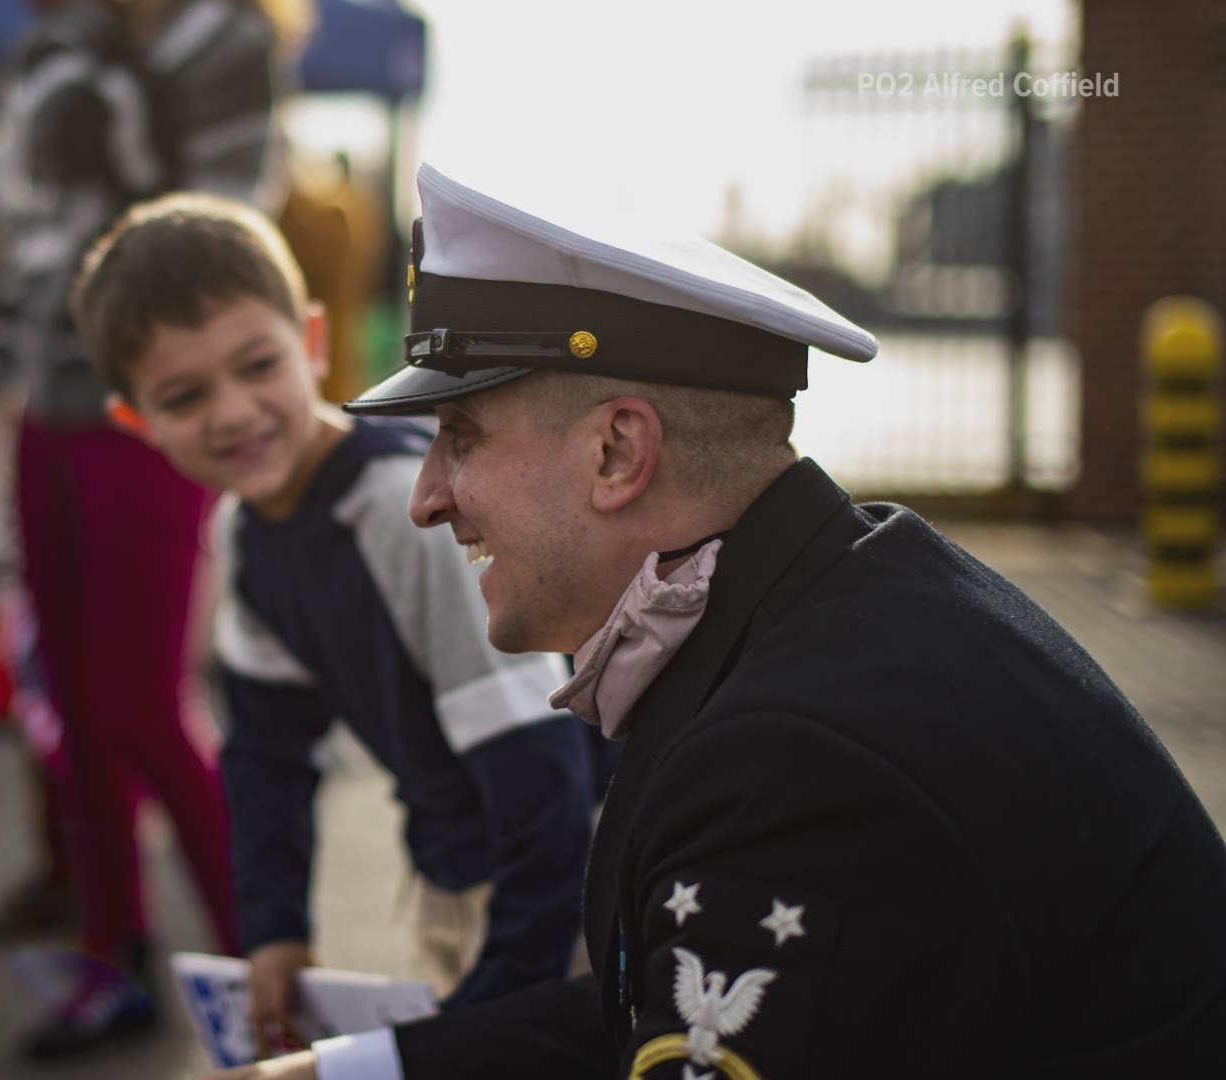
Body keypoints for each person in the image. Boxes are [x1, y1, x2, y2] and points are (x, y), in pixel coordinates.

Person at [206, 163, 1226, 1080]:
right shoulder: (821, 598)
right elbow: (654, 1009)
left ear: (617, 452)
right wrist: (344, 1073)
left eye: (459, 437)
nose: (425, 498)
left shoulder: (793, 756)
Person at [73, 193, 599, 1052]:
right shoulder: (243, 530)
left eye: (257, 366)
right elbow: (267, 755)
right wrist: (272, 928)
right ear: (138, 423)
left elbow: (545, 776)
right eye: (184, 394)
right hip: (460, 880)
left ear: (312, 344)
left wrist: (478, 1020)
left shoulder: (402, 512)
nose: (234, 411)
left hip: (570, 885)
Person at [0, 0, 309, 1059]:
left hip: (156, 406)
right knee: (69, 703)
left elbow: (210, 241)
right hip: (45, 400)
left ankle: (272, 976)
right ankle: (111, 962)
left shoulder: (228, 40)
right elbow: (27, 224)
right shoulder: (51, 42)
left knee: (144, 706)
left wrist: (108, 105)